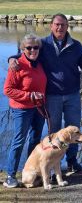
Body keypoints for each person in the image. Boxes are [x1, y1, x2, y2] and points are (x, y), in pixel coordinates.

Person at [8, 14, 82, 173]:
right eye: (56, 24)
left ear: (68, 27)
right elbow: (26, 53)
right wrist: (12, 59)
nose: (59, 27)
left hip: (73, 95)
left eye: (63, 25)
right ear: (51, 26)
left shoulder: (75, 45)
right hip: (51, 96)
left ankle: (72, 161)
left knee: (74, 131)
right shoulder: (42, 44)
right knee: (54, 133)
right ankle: (52, 168)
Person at [3, 34, 47, 188]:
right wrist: (28, 95)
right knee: (19, 141)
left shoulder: (40, 63)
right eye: (29, 48)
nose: (33, 50)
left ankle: (30, 172)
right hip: (22, 109)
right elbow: (7, 90)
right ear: (23, 49)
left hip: (39, 108)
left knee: (35, 141)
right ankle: (10, 176)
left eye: (35, 47)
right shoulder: (17, 65)